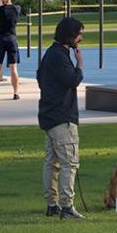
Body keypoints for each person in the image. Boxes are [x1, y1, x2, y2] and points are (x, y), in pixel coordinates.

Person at [39, 17, 85, 219]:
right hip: (62, 117)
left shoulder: (51, 53)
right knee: (69, 163)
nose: (81, 38)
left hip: (49, 115)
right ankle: (67, 206)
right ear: (70, 35)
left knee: (52, 162)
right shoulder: (60, 56)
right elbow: (72, 80)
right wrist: (79, 64)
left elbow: (41, 78)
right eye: (79, 34)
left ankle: (52, 203)